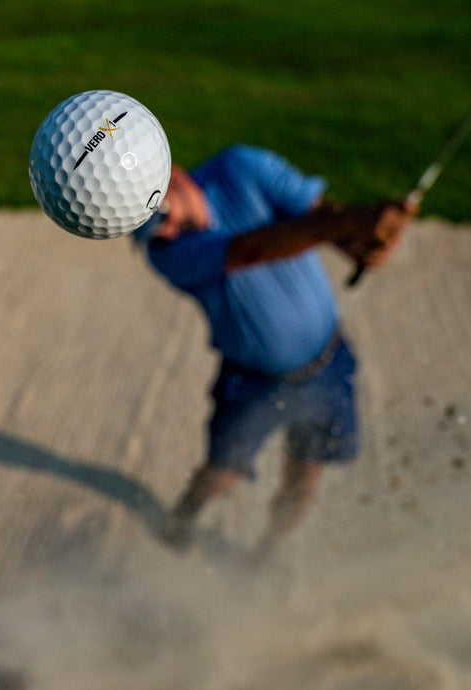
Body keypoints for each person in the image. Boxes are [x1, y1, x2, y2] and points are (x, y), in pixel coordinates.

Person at [133, 144, 415, 557]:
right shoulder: (168, 255)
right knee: (222, 473)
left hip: (328, 364)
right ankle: (182, 521)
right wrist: (352, 221)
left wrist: (363, 242)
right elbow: (253, 249)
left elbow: (319, 218)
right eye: (151, 232)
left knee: (305, 477)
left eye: (159, 218)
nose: (165, 233)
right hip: (252, 382)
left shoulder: (242, 166)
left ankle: (268, 552)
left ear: (170, 174)